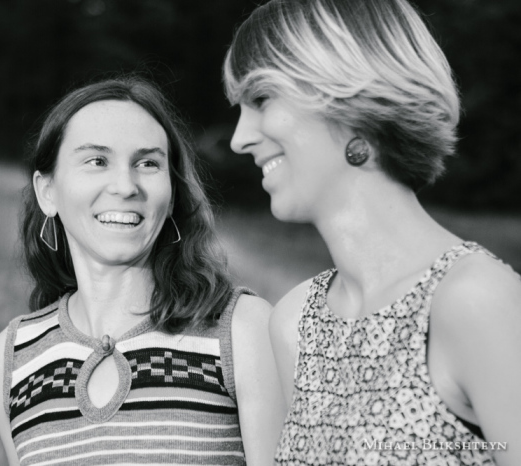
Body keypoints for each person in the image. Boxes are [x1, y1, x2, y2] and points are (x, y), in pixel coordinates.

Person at [223, 0, 521, 464]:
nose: (239, 138)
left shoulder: (476, 302)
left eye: (260, 99)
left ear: (347, 98)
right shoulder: (294, 323)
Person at [0, 76, 286, 466]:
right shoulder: (11, 360)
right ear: (48, 192)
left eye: (147, 163)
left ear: (172, 190)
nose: (126, 186)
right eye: (97, 161)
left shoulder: (242, 330)